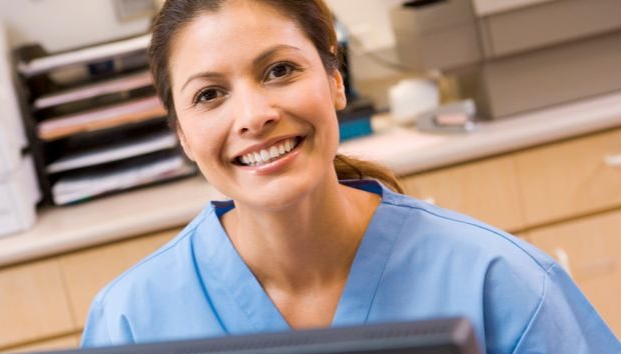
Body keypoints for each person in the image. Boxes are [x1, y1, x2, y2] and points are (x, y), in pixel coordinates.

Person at [80, 0, 621, 353]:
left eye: (279, 70)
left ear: (335, 81)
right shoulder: (130, 322)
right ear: (181, 132)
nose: (253, 115)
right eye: (209, 95)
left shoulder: (499, 281)